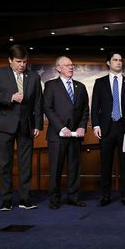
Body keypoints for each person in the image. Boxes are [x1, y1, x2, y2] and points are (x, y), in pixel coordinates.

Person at [0, 44, 43, 211]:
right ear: (10, 60)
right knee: (5, 163)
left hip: (26, 126)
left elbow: (38, 101)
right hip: (3, 125)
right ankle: (6, 199)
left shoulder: (34, 77)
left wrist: (38, 124)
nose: (22, 65)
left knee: (26, 164)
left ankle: (24, 199)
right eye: (18, 61)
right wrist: (9, 97)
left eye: (24, 62)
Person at [91, 52, 125, 207]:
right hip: (106, 129)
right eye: (115, 60)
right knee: (105, 164)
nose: (119, 62)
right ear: (108, 63)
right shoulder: (100, 82)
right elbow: (95, 107)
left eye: (120, 60)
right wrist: (96, 125)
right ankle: (105, 196)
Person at [43, 56, 89, 210]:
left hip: (76, 135)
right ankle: (55, 199)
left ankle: (73, 197)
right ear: (58, 68)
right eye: (67, 65)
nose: (71, 67)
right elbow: (48, 108)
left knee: (74, 168)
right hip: (57, 135)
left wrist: (82, 126)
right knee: (56, 168)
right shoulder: (50, 85)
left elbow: (85, 110)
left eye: (72, 64)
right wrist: (62, 128)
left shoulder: (80, 87)